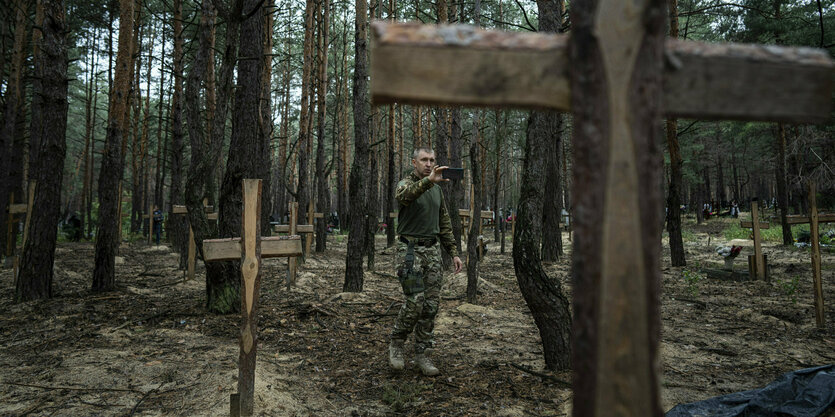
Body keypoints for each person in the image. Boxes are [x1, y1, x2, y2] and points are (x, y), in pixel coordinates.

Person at [389, 147, 463, 376]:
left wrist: (453, 252)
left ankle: (422, 354)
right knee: (415, 301)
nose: (429, 164)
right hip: (409, 251)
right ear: (414, 162)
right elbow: (405, 196)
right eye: (424, 160)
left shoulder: (437, 190)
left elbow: (444, 223)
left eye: (432, 160)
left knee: (430, 307)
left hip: (432, 252)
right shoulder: (405, 184)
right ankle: (397, 344)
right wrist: (429, 181)